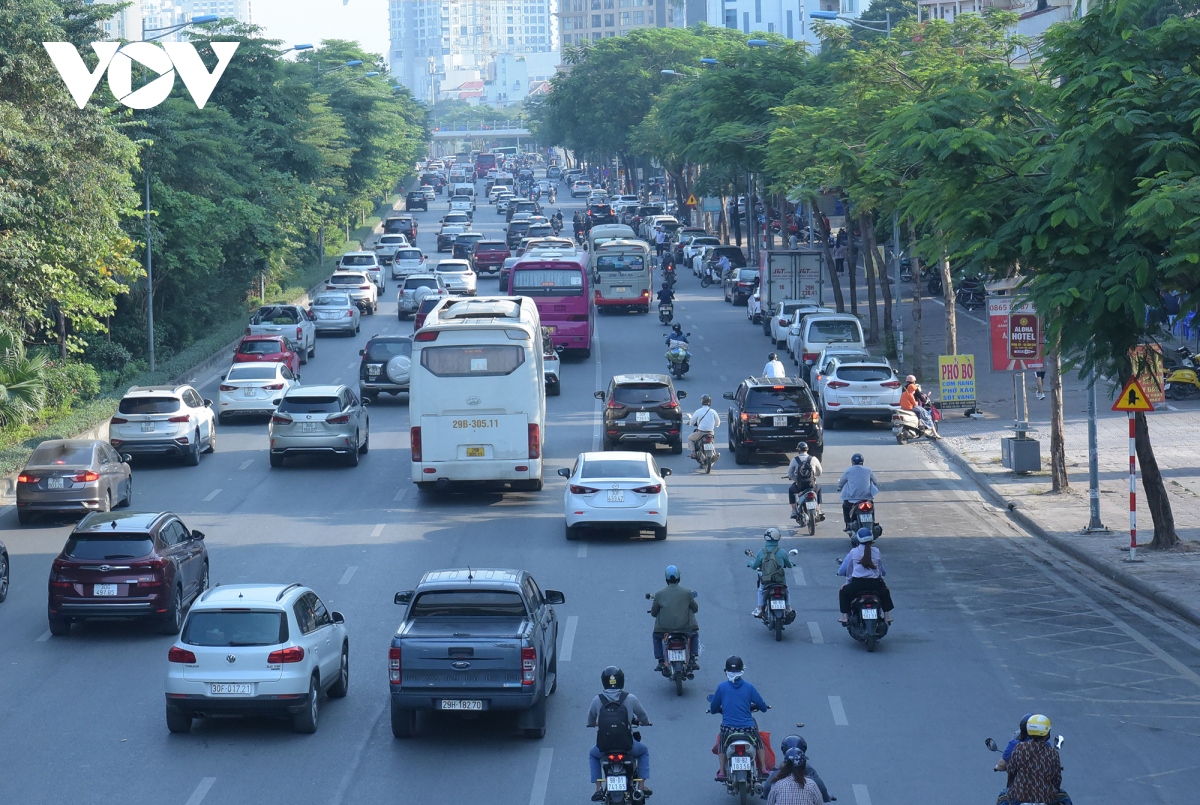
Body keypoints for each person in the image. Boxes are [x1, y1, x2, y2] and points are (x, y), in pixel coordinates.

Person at [588, 666, 652, 801]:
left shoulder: (597, 700)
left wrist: (594, 724)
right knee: (643, 751)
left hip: (604, 747)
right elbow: (643, 716)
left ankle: (598, 788)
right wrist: (645, 722)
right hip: (627, 745)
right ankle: (641, 786)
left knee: (593, 755)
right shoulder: (630, 698)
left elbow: (591, 720)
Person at [709, 655, 769, 780]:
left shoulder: (722, 687)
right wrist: (764, 707)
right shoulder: (749, 687)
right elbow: (762, 706)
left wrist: (714, 710)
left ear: (726, 671)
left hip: (728, 729)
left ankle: (722, 771)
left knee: (722, 744)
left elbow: (714, 708)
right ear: (742, 671)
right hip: (748, 729)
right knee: (758, 741)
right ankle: (763, 768)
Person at [1000, 714, 1071, 805]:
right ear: (1047, 733)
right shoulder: (1053, 752)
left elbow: (1011, 771)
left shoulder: (1019, 748)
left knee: (1002, 797)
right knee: (1065, 798)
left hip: (1018, 797)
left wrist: (1012, 786)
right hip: (1047, 798)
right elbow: (1057, 779)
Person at [837, 529, 894, 624]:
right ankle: (887, 616)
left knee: (843, 592)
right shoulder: (876, 551)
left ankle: (844, 617)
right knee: (886, 591)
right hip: (875, 585)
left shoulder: (854, 552)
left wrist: (848, 582)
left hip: (857, 585)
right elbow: (880, 569)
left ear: (858, 539)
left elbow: (849, 569)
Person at [649, 564, 699, 671]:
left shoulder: (659, 594)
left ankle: (661, 661)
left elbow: (654, 613)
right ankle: (692, 659)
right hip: (685, 628)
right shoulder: (687, 593)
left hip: (664, 630)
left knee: (656, 637)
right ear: (678, 578)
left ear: (666, 579)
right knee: (694, 635)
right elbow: (695, 609)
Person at [763, 736, 831, 802]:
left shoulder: (777, 784)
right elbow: (820, 790)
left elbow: (767, 791)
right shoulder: (811, 784)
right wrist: (826, 797)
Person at [748, 528, 795, 618]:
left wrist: (749, 563)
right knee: (787, 590)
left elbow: (754, 566)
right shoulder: (782, 552)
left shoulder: (761, 552)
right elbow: (788, 565)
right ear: (778, 538)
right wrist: (792, 564)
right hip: (780, 581)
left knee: (761, 590)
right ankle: (788, 608)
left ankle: (760, 609)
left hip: (766, 581)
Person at [836, 453, 879, 528]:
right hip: (866, 499)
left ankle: (848, 524)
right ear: (862, 462)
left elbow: (841, 482)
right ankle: (873, 522)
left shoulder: (848, 470)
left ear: (852, 462)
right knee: (871, 506)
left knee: (845, 507)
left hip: (852, 500)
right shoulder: (868, 470)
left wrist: (839, 488)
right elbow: (875, 481)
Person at [787, 442, 823, 520]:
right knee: (819, 489)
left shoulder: (795, 460)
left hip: (800, 486)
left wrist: (797, 480)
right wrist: (813, 477)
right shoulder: (813, 459)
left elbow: (790, 473)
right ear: (807, 449)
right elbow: (820, 472)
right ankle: (819, 509)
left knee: (791, 490)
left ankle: (793, 511)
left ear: (798, 450)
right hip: (812, 485)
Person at [687, 394, 720, 460]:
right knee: (712, 441)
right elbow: (717, 423)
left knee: (690, 438)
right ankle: (714, 453)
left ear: (701, 401)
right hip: (710, 433)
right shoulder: (713, 411)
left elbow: (692, 422)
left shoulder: (698, 411)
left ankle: (693, 453)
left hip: (700, 433)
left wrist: (690, 423)